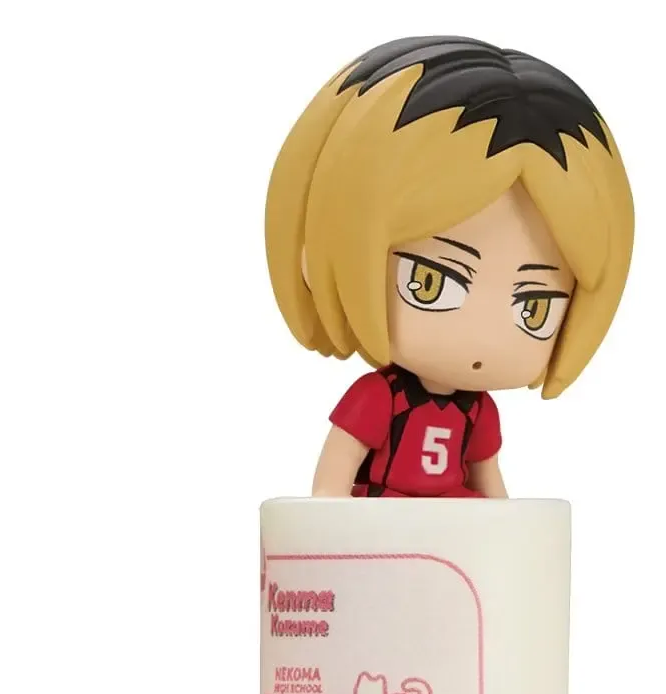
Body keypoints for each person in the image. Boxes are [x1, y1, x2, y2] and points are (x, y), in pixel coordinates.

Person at [265, 37, 634, 497]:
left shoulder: (478, 411)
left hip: (455, 519)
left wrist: (507, 523)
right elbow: (339, 467)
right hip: (384, 510)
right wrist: (328, 514)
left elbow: (486, 475)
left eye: (534, 308)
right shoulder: (380, 396)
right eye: (430, 282)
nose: (483, 336)